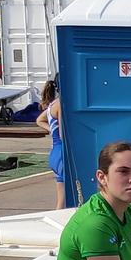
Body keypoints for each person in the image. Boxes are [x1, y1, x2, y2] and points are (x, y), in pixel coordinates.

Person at [39, 75, 73, 209]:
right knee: (72, 199)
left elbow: (39, 120)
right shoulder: (61, 104)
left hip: (55, 153)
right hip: (62, 153)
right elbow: (62, 133)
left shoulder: (53, 103)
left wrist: (51, 130)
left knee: (61, 201)